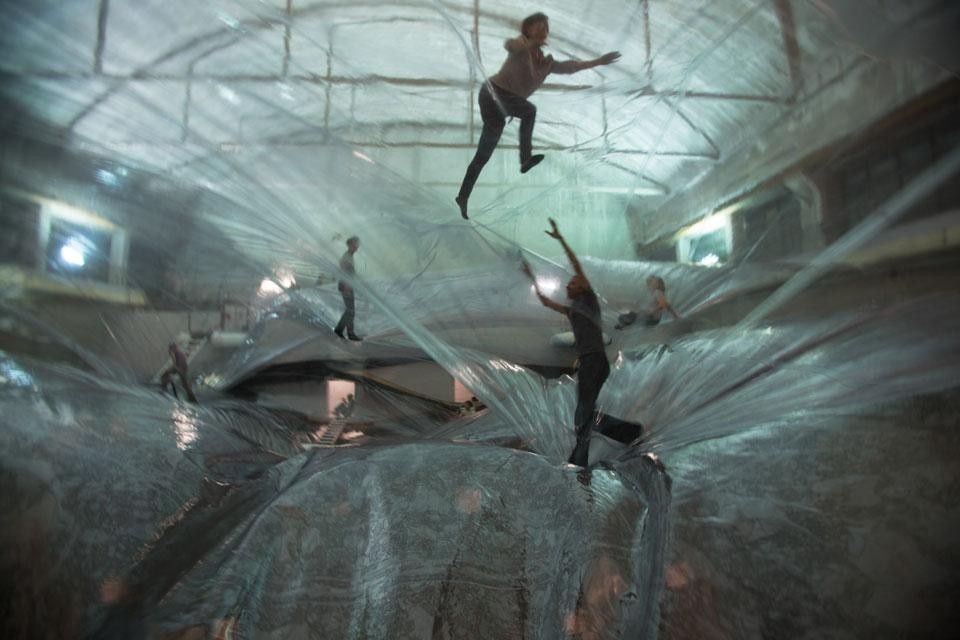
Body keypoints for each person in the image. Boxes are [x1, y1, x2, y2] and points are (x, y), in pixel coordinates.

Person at [455, 13, 621, 219]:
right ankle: (525, 159)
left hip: (503, 108)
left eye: (546, 27)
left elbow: (572, 67)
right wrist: (530, 43)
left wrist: (598, 61)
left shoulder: (546, 63)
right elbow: (510, 45)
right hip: (493, 94)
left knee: (483, 155)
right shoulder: (521, 44)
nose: (544, 29)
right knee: (529, 110)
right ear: (528, 28)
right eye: (539, 25)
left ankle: (463, 196)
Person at [521, 218, 609, 468]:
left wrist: (561, 239)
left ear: (582, 286)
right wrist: (530, 276)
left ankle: (579, 460)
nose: (570, 283)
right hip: (590, 362)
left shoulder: (589, 301)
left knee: (582, 412)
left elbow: (576, 264)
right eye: (569, 283)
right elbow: (545, 302)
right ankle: (623, 431)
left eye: (573, 281)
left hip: (595, 361)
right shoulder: (573, 310)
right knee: (585, 410)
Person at [615, 275, 681, 329]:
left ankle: (624, 326)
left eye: (652, 282)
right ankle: (625, 325)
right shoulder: (656, 293)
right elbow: (667, 305)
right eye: (650, 282)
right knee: (632, 314)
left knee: (623, 317)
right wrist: (675, 315)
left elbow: (663, 305)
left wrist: (652, 312)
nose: (650, 284)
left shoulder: (657, 292)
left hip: (651, 319)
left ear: (657, 284)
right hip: (652, 318)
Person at [334, 235, 362, 341]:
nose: (357, 247)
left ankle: (339, 330)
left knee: (349, 310)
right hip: (346, 286)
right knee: (350, 310)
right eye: (355, 244)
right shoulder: (346, 257)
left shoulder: (349, 256)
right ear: (350, 245)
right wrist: (347, 286)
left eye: (357, 244)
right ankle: (350, 333)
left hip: (347, 285)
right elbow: (344, 272)